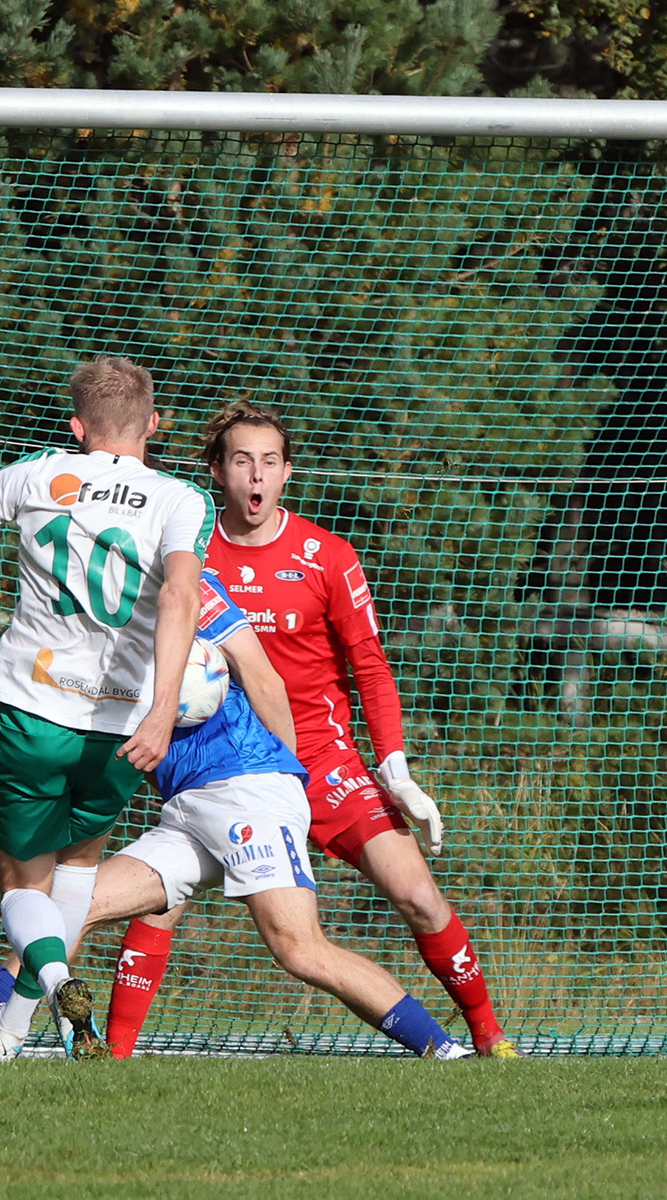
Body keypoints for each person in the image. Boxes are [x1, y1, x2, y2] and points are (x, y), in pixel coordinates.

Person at [0, 572, 474, 1063]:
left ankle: (442, 1049)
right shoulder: (82, 611)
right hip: (184, 809)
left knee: (299, 949)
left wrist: (287, 782)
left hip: (244, 790)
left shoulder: (190, 585)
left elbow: (262, 678)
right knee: (74, 907)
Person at [100, 402, 518, 1057]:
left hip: (325, 764)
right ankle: (112, 1058)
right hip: (234, 766)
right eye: (241, 461)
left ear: (287, 472)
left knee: (419, 897)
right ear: (218, 471)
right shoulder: (190, 556)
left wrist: (397, 769)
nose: (256, 475)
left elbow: (371, 667)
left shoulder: (327, 555)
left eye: (269, 461)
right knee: (159, 903)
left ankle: (491, 1040)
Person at [0, 356, 208, 1055]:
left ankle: (61, 986)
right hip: (122, 728)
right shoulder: (182, 499)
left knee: (20, 885)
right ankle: (8, 1035)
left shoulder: (38, 473)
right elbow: (181, 597)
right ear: (153, 424)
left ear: (76, 427)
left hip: (33, 713)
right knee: (78, 873)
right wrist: (162, 712)